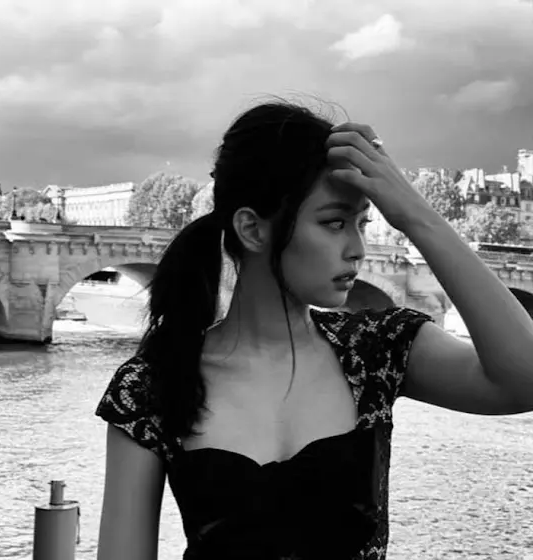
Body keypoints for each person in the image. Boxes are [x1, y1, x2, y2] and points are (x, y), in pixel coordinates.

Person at [95, 100, 533, 560]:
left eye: (363, 223)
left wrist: (416, 216)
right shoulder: (148, 386)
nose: (358, 248)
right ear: (253, 229)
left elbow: (524, 379)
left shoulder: (376, 349)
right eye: (334, 223)